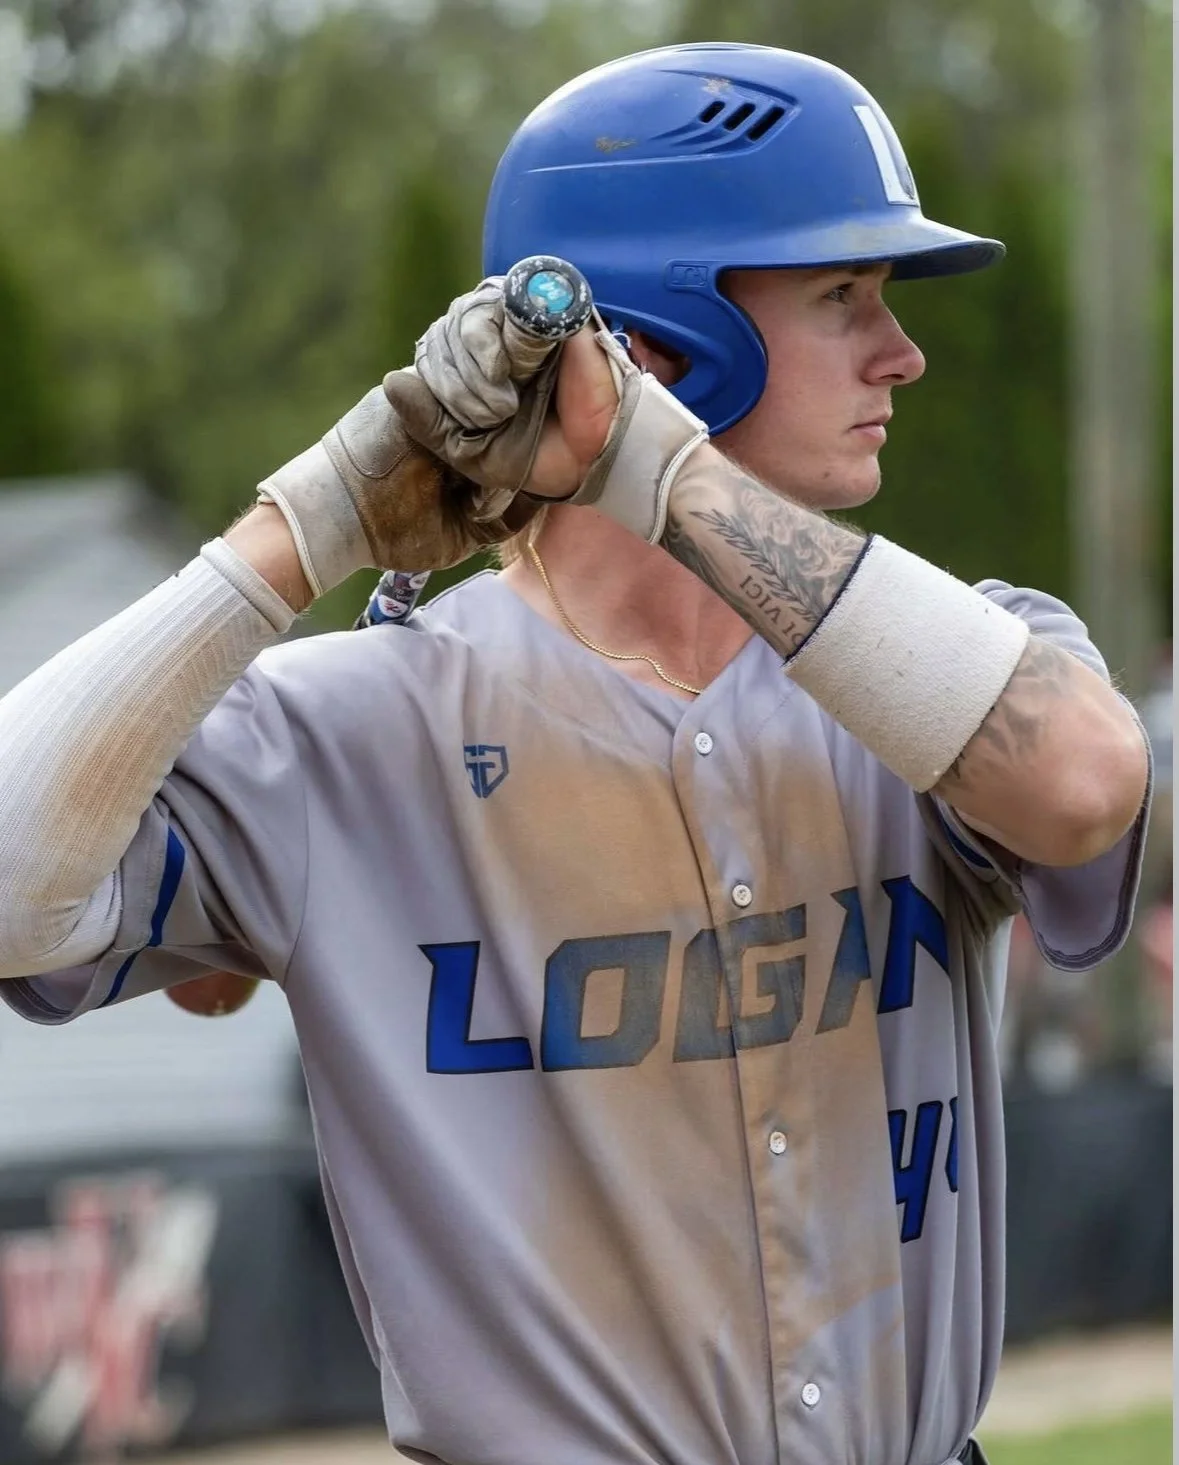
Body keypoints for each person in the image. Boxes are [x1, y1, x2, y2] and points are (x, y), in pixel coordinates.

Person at [0, 42, 1151, 1465]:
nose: (899, 352)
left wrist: (658, 473)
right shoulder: (351, 726)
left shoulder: (949, 667)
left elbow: (1086, 785)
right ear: (667, 339)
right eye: (842, 296)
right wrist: (308, 522)